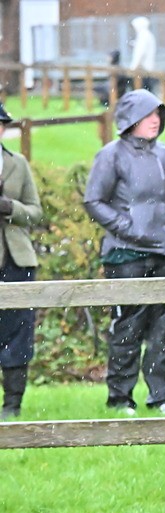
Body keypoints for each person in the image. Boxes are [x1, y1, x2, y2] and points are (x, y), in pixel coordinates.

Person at [84, 89, 165, 414]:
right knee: (128, 328)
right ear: (130, 119)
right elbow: (93, 201)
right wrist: (128, 227)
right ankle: (120, 398)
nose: (155, 120)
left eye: (158, 114)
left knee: (164, 329)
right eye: (148, 114)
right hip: (125, 255)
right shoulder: (111, 155)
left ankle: (162, 396)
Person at [0, 102, 43, 420]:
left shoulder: (18, 163)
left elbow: (35, 212)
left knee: (18, 331)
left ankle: (12, 405)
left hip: (17, 260)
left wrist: (10, 207)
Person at [129, 16, 157, 95]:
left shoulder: (143, 35)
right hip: (147, 68)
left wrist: (133, 67)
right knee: (147, 91)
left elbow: (140, 53)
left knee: (144, 90)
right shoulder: (147, 35)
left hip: (144, 69)